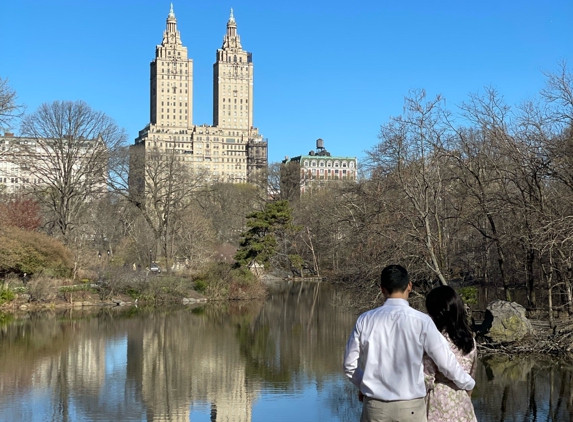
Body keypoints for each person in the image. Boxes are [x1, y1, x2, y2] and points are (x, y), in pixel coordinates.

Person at [343, 265, 475, 422]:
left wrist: (365, 385)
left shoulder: (365, 320)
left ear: (382, 289)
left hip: (375, 407)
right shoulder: (422, 321)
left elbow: (349, 366)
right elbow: (446, 364)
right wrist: (468, 383)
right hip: (411, 408)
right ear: (409, 286)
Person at [423, 285, 478, 422]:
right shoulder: (469, 339)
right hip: (462, 401)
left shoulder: (434, 340)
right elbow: (472, 372)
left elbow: (426, 378)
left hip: (438, 402)